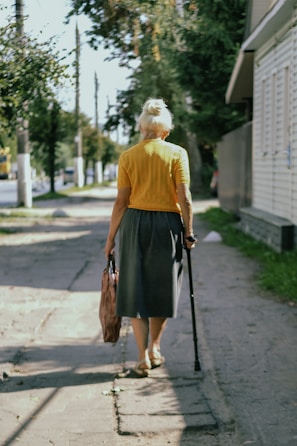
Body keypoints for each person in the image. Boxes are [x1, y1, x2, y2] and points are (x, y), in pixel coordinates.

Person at [104, 98, 196, 377]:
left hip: (134, 225)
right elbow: (185, 197)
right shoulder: (177, 153)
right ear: (165, 131)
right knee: (163, 289)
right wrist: (189, 231)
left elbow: (121, 202)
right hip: (168, 226)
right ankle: (155, 347)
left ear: (142, 129)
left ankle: (143, 355)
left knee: (135, 289)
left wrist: (110, 240)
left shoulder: (128, 156)